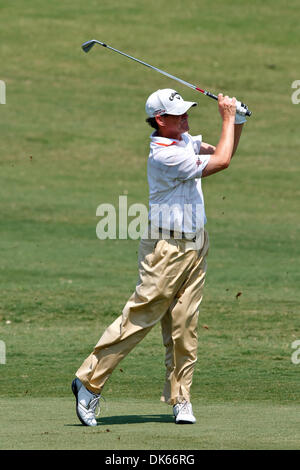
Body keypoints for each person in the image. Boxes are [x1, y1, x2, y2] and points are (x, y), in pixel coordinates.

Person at [72, 88, 246, 426]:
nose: (185, 117)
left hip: (196, 245)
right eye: (178, 114)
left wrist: (236, 121)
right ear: (160, 120)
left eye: (186, 112)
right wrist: (227, 117)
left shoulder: (183, 141)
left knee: (184, 325)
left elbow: (225, 152)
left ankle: (181, 399)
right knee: (140, 318)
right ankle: (88, 382)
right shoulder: (164, 155)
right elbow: (222, 162)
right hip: (166, 250)